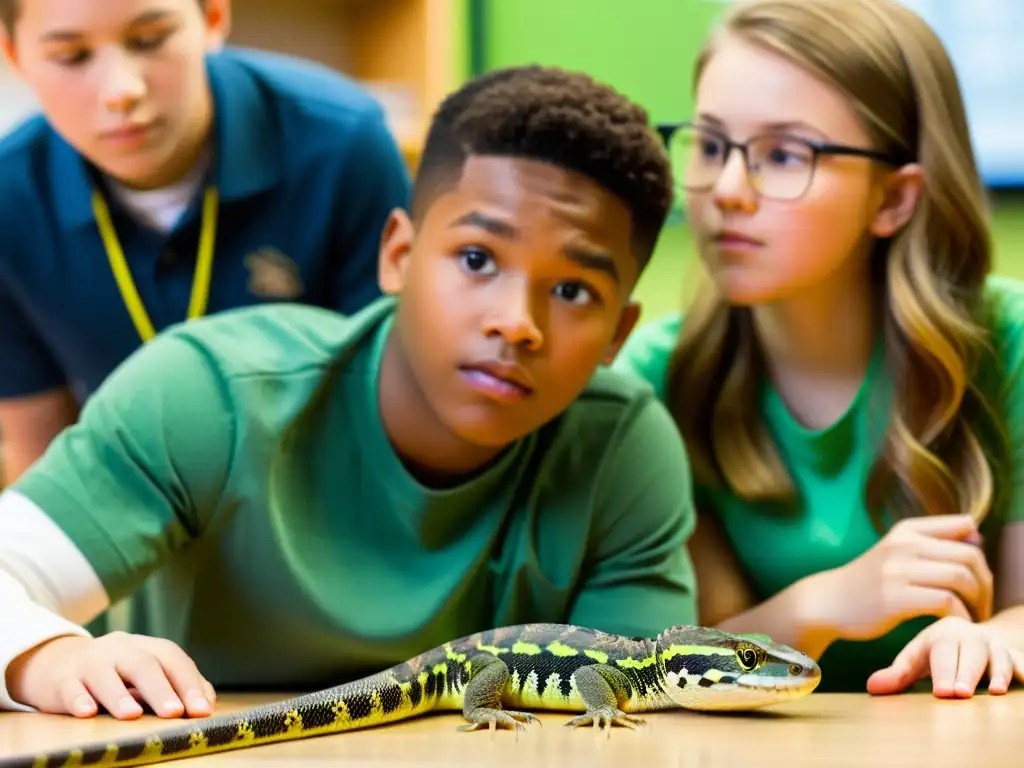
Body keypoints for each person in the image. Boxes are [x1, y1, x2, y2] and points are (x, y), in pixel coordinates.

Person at [0, 63, 697, 722]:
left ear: (618, 333)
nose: (516, 323)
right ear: (398, 255)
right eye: (478, 258)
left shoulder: (625, 450)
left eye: (573, 290)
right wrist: (46, 657)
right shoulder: (207, 393)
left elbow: (627, 724)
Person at [613, 0, 1024, 698]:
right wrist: (818, 607)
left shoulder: (1006, 341)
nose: (729, 192)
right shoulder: (653, 380)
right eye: (710, 146)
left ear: (895, 198)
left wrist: (995, 637)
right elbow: (672, 663)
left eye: (784, 155)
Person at [0, 0, 410, 484]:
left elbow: (395, 410)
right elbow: (39, 451)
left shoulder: (344, 144)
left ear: (213, 16)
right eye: (71, 56)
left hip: (322, 499)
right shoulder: (10, 197)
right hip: (126, 520)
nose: (121, 92)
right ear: (14, 55)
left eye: (150, 40)